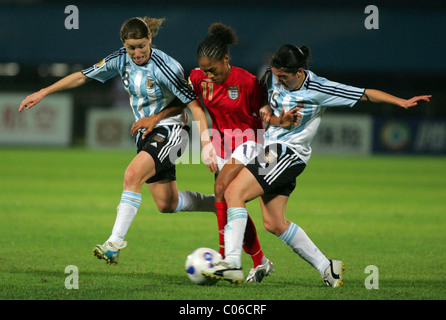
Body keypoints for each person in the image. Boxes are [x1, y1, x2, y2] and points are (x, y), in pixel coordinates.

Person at [202, 44, 431, 286]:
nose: (279, 81)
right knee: (274, 223)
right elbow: (263, 103)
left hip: (286, 153)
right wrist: (269, 112)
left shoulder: (319, 88)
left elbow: (364, 93)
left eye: (284, 77)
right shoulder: (271, 78)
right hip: (269, 149)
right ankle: (327, 267)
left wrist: (402, 103)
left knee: (232, 192)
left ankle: (232, 262)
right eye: (276, 75)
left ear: (299, 72)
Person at [19, 17, 216, 265]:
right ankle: (219, 203)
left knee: (132, 175)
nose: (137, 53)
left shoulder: (166, 66)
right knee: (167, 203)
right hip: (147, 134)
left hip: (173, 131)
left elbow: (194, 106)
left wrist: (207, 145)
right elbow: (82, 76)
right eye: (131, 47)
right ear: (124, 45)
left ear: (150, 40)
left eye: (142, 46)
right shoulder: (119, 59)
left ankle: (113, 244)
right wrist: (43, 92)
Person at [188, 24, 299, 283]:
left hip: (251, 140)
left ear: (226, 58)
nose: (208, 75)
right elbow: (193, 103)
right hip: (221, 143)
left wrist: (281, 121)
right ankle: (260, 261)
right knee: (229, 200)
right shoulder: (197, 77)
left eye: (212, 69)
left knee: (221, 190)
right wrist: (206, 144)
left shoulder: (247, 82)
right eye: (204, 70)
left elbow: (264, 114)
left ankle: (224, 258)